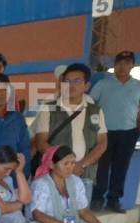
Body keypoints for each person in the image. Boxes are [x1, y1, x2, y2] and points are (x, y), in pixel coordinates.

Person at [33, 63, 107, 200]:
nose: (71, 85)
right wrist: (65, 165)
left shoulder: (95, 110)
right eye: (67, 81)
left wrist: (81, 164)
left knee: (81, 213)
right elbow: (41, 142)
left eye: (77, 81)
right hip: (55, 174)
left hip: (84, 173)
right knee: (53, 212)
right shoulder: (49, 109)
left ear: (87, 85)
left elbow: (102, 143)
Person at [89, 51, 140, 213]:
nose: (121, 66)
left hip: (128, 133)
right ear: (114, 66)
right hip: (105, 134)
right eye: (118, 63)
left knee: (120, 167)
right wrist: (94, 126)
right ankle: (97, 199)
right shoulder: (103, 84)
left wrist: (138, 128)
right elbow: (91, 104)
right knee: (101, 167)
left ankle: (114, 200)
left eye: (126, 63)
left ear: (132, 66)